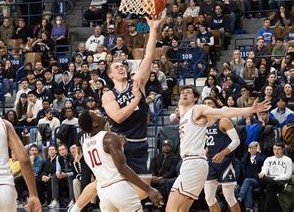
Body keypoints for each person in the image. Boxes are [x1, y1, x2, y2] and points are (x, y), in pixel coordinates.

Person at [166, 85, 270, 211]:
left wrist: (250, 109)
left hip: (223, 162)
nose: (184, 94)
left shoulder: (208, 114)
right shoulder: (186, 116)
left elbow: (232, 129)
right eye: (182, 92)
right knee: (207, 199)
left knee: (229, 196)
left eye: (188, 92)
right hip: (205, 162)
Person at [99, 16, 163, 198]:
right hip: (122, 146)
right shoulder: (109, 95)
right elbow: (118, 117)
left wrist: (153, 30)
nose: (121, 68)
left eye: (123, 66)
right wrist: (136, 100)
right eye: (117, 67)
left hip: (141, 144)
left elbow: (148, 57)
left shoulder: (137, 83)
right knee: (116, 191)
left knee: (143, 192)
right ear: (110, 74)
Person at [71, 110, 162, 212]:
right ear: (95, 123)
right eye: (97, 114)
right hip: (120, 188)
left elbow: (106, 162)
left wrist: (120, 147)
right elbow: (122, 169)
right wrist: (149, 189)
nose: (100, 114)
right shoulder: (109, 138)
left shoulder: (85, 144)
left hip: (103, 193)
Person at [202, 97, 241, 212]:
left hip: (226, 162)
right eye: (205, 103)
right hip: (210, 162)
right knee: (208, 197)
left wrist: (223, 152)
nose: (207, 105)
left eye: (210, 103)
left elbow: (236, 141)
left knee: (229, 196)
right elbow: (207, 142)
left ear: (215, 106)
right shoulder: (202, 124)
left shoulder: (223, 120)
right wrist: (204, 151)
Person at [258, 143, 292, 212]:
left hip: (281, 181)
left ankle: (266, 209)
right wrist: (263, 173)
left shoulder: (287, 160)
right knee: (259, 176)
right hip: (269, 181)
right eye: (274, 149)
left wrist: (275, 179)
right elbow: (264, 169)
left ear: (283, 149)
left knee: (271, 186)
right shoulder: (268, 159)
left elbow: (288, 175)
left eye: (279, 149)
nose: (276, 151)